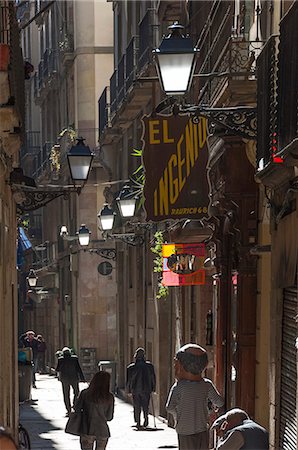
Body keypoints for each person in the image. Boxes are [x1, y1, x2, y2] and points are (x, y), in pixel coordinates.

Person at [166, 343, 224, 450]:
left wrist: (178, 415)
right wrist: (211, 412)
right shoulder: (206, 385)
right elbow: (219, 402)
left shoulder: (179, 387)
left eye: (175, 363)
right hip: (202, 429)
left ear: (180, 366)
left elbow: (170, 407)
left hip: (184, 430)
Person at [74, 371, 114, 450]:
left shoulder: (85, 393)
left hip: (87, 429)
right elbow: (109, 417)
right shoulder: (109, 397)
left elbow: (77, 409)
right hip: (102, 430)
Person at [126, 347, 156, 429]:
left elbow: (128, 380)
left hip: (135, 390)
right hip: (146, 389)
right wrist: (153, 388)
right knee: (145, 405)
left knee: (137, 406)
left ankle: (138, 422)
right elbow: (153, 378)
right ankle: (146, 419)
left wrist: (128, 390)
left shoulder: (131, 368)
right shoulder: (149, 366)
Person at [56, 346, 86, 416]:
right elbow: (78, 369)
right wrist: (82, 378)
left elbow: (57, 369)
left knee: (66, 394)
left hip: (64, 379)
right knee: (76, 392)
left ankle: (68, 409)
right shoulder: (74, 358)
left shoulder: (61, 359)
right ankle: (75, 405)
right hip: (74, 378)